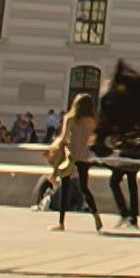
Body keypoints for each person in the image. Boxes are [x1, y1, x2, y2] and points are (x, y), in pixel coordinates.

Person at [53, 93, 104, 233]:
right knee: (84, 188)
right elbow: (94, 139)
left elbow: (64, 138)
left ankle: (61, 222)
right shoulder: (92, 121)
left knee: (65, 188)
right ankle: (96, 216)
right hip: (84, 156)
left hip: (70, 156)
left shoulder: (69, 118)